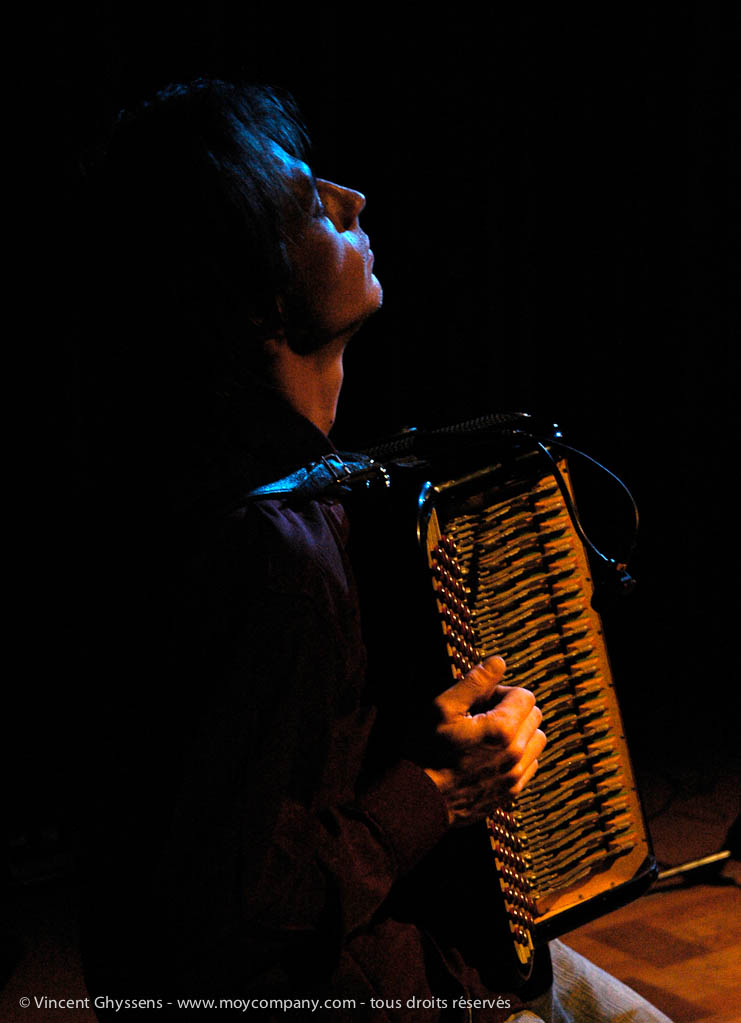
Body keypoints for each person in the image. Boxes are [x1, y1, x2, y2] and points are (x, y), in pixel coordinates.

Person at [75, 78, 672, 1022]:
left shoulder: (284, 493)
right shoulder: (269, 549)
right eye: (309, 204)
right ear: (257, 296)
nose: (352, 200)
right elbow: (211, 918)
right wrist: (433, 787)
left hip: (436, 948)